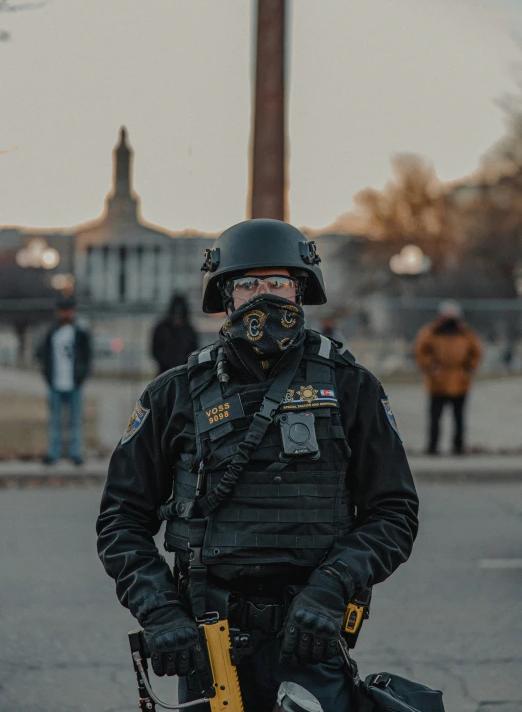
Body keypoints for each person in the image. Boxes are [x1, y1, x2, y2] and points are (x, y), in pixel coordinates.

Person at [97, 220, 419, 712]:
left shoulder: (353, 388)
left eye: (276, 283)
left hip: (311, 635)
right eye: (248, 284)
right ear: (226, 296)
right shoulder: (175, 394)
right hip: (206, 643)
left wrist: (333, 588)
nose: (262, 296)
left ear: (300, 291)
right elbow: (120, 519)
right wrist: (160, 611)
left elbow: (394, 512)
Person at [414, 301, 482, 456]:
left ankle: (458, 446)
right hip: (438, 382)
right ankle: (432, 446)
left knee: (459, 418)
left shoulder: (466, 333)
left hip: (460, 381)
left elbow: (476, 352)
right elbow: (420, 350)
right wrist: (430, 366)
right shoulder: (431, 332)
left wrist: (469, 368)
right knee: (435, 417)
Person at [36, 295, 92, 465]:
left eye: (69, 310)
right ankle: (53, 453)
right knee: (55, 420)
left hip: (74, 382)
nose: (66, 314)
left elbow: (87, 356)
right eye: (63, 310)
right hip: (56, 382)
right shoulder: (52, 332)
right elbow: (42, 354)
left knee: (75, 420)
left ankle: (75, 453)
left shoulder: (80, 333)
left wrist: (81, 375)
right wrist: (47, 375)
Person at [151, 293, 200, 375]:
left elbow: (193, 351)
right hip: (164, 372)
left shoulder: (188, 330)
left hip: (183, 373)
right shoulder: (162, 329)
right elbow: (155, 350)